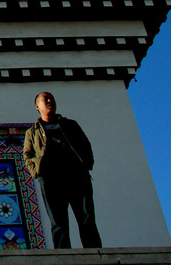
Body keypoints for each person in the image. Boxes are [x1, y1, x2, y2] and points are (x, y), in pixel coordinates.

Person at [23, 92, 102, 248]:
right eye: (45, 99)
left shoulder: (70, 125)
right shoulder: (32, 132)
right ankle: (63, 256)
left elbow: (85, 145)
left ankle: (95, 253)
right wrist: (38, 172)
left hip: (77, 176)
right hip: (51, 180)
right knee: (58, 222)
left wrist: (85, 165)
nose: (49, 101)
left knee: (86, 218)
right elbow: (28, 155)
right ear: (37, 106)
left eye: (51, 98)